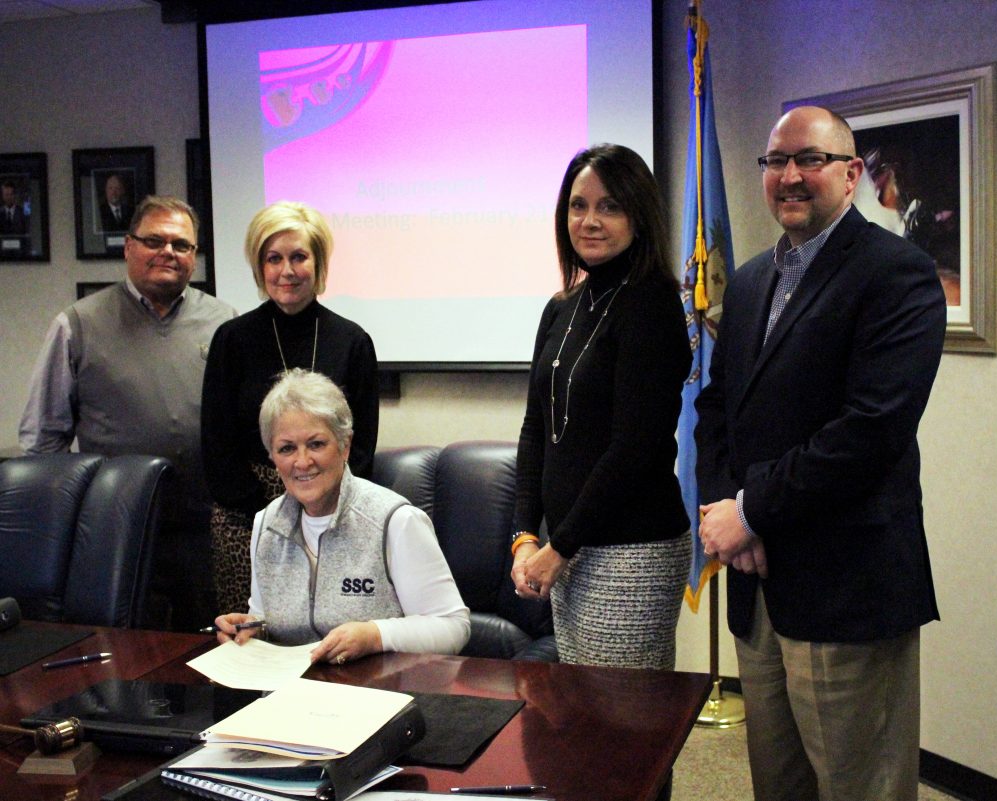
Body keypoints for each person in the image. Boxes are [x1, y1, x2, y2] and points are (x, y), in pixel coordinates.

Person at [694, 106, 946, 801]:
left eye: (811, 159)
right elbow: (718, 409)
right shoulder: (748, 281)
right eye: (777, 161)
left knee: (859, 786)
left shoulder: (898, 272)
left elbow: (871, 429)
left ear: (852, 172)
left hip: (847, 586)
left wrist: (751, 511)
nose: (791, 176)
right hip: (760, 585)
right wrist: (726, 510)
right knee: (779, 784)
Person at [510, 143, 691, 670]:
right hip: (568, 548)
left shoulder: (652, 304)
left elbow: (636, 446)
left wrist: (559, 547)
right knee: (584, 720)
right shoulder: (562, 307)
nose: (589, 221)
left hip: (632, 552)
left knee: (620, 726)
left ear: (639, 214)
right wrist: (526, 536)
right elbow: (533, 430)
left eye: (609, 206)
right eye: (577, 205)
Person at [19, 195, 236, 631]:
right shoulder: (78, 324)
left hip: (203, 528)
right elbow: (43, 440)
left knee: (209, 654)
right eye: (154, 240)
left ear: (194, 256)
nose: (168, 253)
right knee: (127, 653)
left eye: (181, 245)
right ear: (128, 247)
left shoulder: (224, 322)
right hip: (117, 530)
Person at [213, 369, 469, 662]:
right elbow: (265, 618)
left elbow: (453, 628)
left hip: (377, 695)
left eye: (316, 444)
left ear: (345, 445)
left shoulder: (396, 521)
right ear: (272, 457)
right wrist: (251, 630)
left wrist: (375, 635)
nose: (302, 462)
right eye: (286, 449)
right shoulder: (266, 524)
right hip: (290, 697)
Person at [202, 201, 380, 615]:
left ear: (318, 263)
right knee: (252, 639)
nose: (286, 271)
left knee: (327, 633)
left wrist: (321, 506)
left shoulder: (352, 341)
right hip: (245, 516)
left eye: (299, 256)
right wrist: (265, 510)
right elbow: (217, 441)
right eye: (273, 258)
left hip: (333, 512)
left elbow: (363, 444)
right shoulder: (232, 338)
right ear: (259, 267)